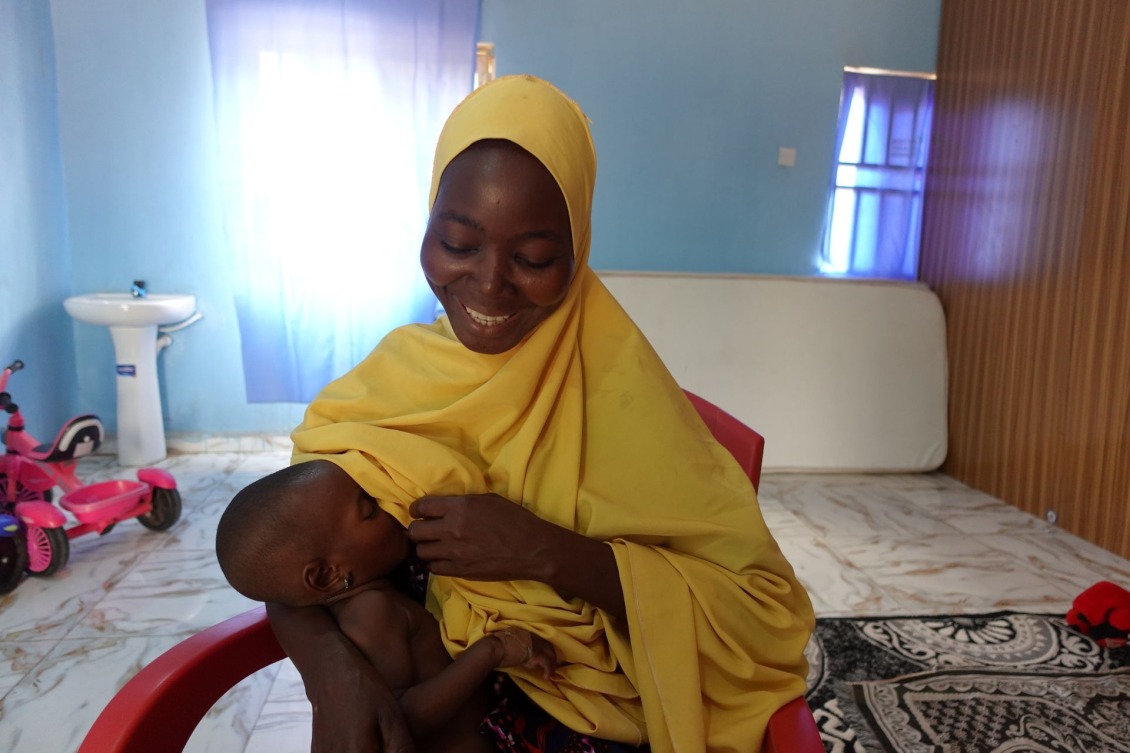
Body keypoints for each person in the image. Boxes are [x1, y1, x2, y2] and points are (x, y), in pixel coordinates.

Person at [269, 74, 815, 753]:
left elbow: (764, 615)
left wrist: (550, 552)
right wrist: (331, 671)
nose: (490, 283)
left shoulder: (623, 398)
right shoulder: (395, 380)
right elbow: (288, 547)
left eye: (533, 257)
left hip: (576, 722)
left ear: (577, 249)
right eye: (460, 244)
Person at [216, 459, 557, 753]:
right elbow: (405, 718)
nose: (390, 507)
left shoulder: (378, 597)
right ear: (327, 575)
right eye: (370, 510)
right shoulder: (371, 613)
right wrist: (491, 653)